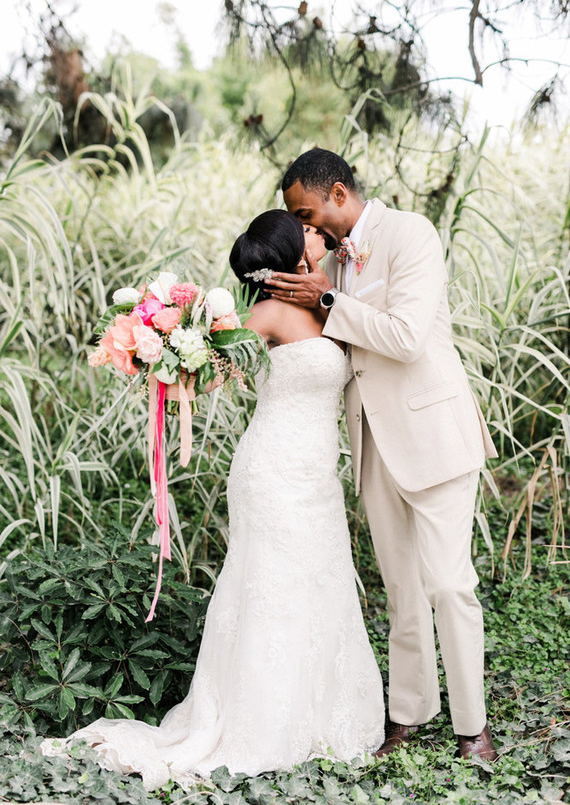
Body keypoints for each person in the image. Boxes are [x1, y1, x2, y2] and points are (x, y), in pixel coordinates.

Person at [41, 209, 385, 790]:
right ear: (288, 251)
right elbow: (210, 372)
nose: (316, 232)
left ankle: (322, 713)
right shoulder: (268, 314)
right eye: (304, 229)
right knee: (274, 587)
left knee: (318, 581)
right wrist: (164, 343)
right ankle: (263, 722)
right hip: (274, 470)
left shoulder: (328, 299)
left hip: (314, 472)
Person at [265, 148, 498, 761]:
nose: (304, 228)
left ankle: (473, 727)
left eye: (307, 212)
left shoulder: (410, 234)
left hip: (434, 435)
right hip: (374, 445)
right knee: (401, 589)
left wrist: (327, 301)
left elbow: (405, 334)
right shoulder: (329, 264)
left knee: (448, 584)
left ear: (339, 193)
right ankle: (410, 713)